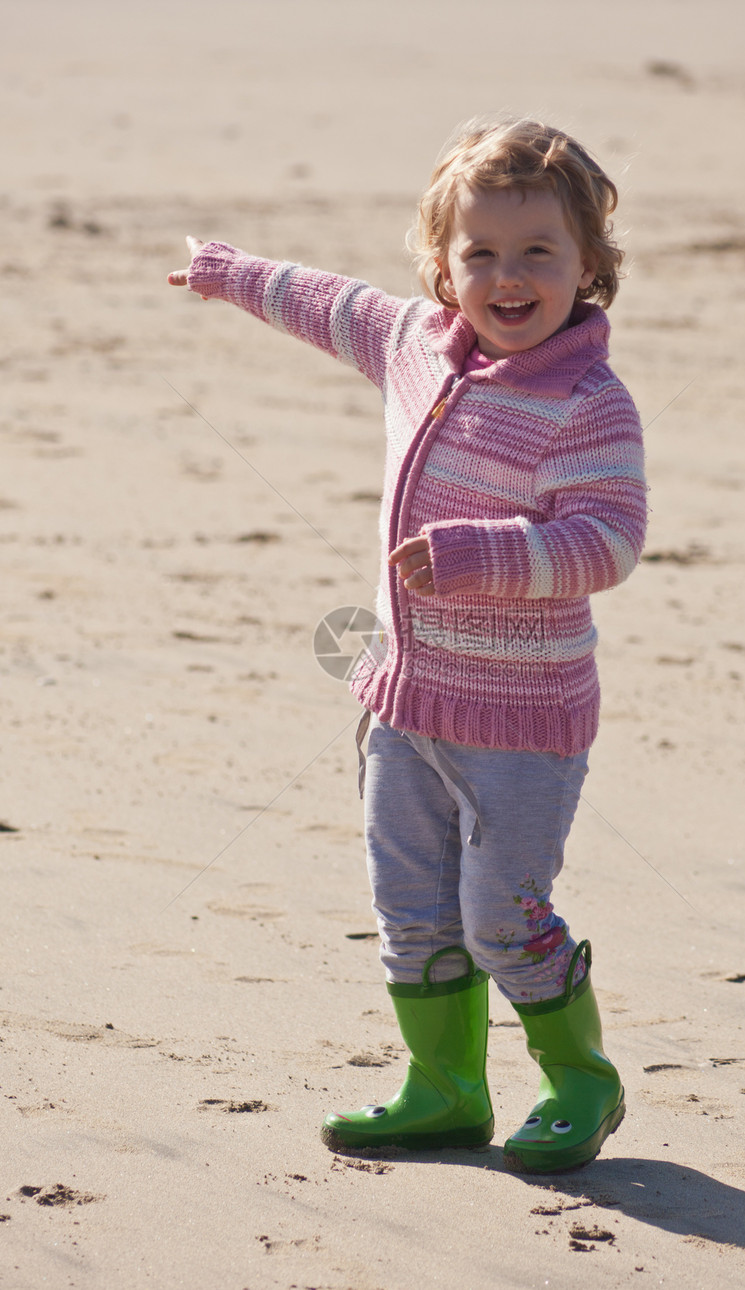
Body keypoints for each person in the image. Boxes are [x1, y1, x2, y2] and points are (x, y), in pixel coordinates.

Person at [168, 116, 647, 1173]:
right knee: (411, 906)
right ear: (442, 267)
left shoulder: (585, 404)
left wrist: (484, 554)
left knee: (500, 913)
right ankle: (443, 1087)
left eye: (538, 254)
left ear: (588, 268)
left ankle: (580, 1080)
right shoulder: (409, 344)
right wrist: (228, 270)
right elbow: (326, 300)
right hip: (403, 706)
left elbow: (608, 541)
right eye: (480, 253)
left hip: (523, 722)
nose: (507, 277)